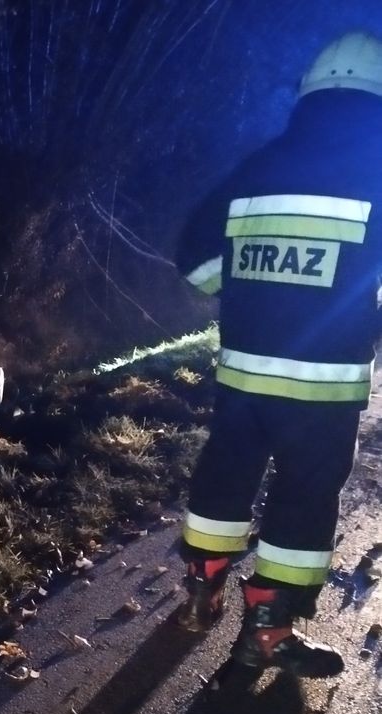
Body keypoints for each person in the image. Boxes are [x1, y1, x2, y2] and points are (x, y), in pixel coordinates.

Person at [173, 31, 382, 678]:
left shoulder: (259, 165)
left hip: (242, 376)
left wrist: (242, 293)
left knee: (225, 475)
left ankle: (201, 585)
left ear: (309, 96)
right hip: (323, 386)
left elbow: (194, 259)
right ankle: (267, 631)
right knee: (302, 497)